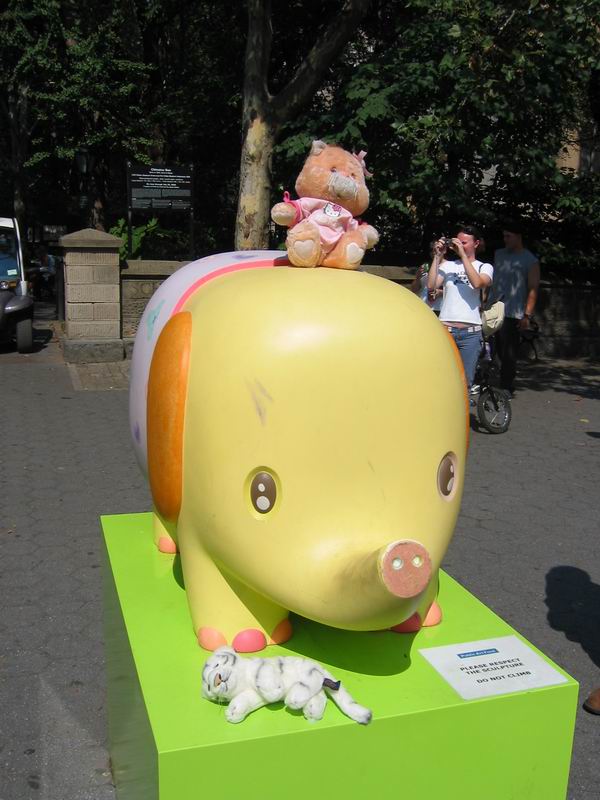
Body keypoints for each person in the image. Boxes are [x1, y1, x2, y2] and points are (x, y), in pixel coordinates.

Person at [427, 226, 493, 390]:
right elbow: (431, 286)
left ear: (476, 244)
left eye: (464, 243)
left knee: (465, 382)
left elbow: (477, 283)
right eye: (458, 242)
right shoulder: (448, 266)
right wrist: (437, 257)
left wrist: (463, 256)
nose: (459, 245)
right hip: (446, 330)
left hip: (470, 333)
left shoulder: (484, 267)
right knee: (441, 378)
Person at [491, 224, 540, 396]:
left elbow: (533, 288)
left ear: (518, 236)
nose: (505, 240)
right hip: (493, 308)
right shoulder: (499, 254)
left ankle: (506, 385)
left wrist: (527, 315)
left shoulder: (530, 260)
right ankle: (498, 380)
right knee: (494, 348)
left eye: (508, 236)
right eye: (504, 236)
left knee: (508, 351)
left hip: (513, 312)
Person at [410, 242, 443, 315]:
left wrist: (440, 293)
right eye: (432, 250)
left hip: (440, 309)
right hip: (424, 307)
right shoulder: (425, 266)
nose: (434, 252)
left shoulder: (449, 266)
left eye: (437, 249)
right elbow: (414, 290)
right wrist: (418, 277)